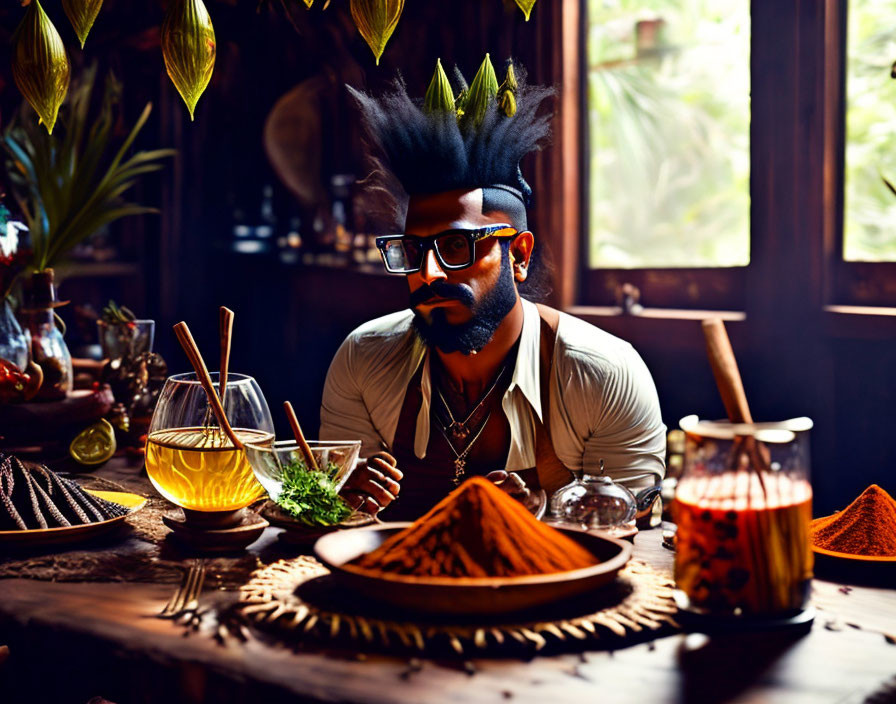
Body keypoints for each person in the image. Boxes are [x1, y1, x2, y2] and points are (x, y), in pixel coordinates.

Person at [320, 56, 665, 520]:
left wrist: (544, 515)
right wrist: (343, 501)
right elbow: (332, 519)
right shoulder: (363, 360)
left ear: (519, 255)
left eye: (458, 246)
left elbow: (634, 528)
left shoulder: (603, 376)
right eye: (413, 251)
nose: (429, 274)